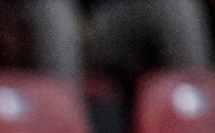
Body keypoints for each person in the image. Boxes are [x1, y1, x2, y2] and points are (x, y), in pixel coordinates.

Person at [27, 0, 212, 82]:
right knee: (54, 14)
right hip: (50, 24)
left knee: (176, 6)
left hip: (106, 26)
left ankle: (197, 127)